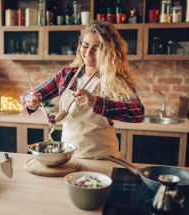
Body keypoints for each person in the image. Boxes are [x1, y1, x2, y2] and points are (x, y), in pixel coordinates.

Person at [22, 20, 144, 159]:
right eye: (85, 46)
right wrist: (30, 101)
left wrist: (96, 103)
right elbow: (31, 96)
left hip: (103, 158)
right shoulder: (66, 75)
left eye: (96, 48)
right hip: (68, 156)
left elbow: (137, 113)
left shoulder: (116, 80)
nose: (88, 53)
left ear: (108, 51)